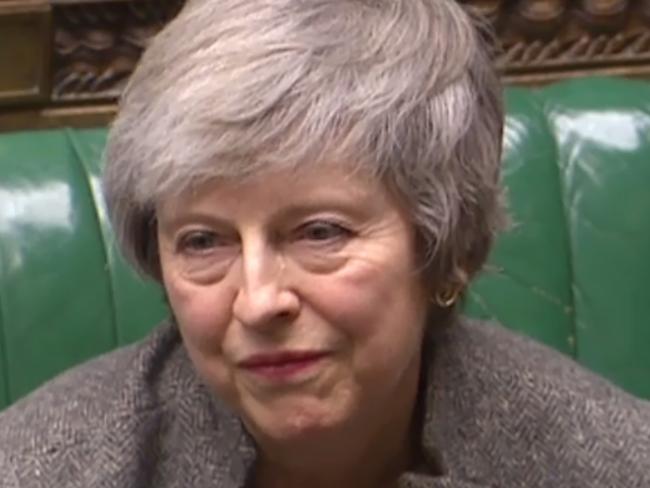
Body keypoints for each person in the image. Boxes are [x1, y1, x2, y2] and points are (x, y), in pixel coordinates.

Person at [1, 0, 649, 486]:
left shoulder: (605, 462)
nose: (257, 301)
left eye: (319, 233)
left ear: (443, 247)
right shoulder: (45, 467)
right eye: (204, 242)